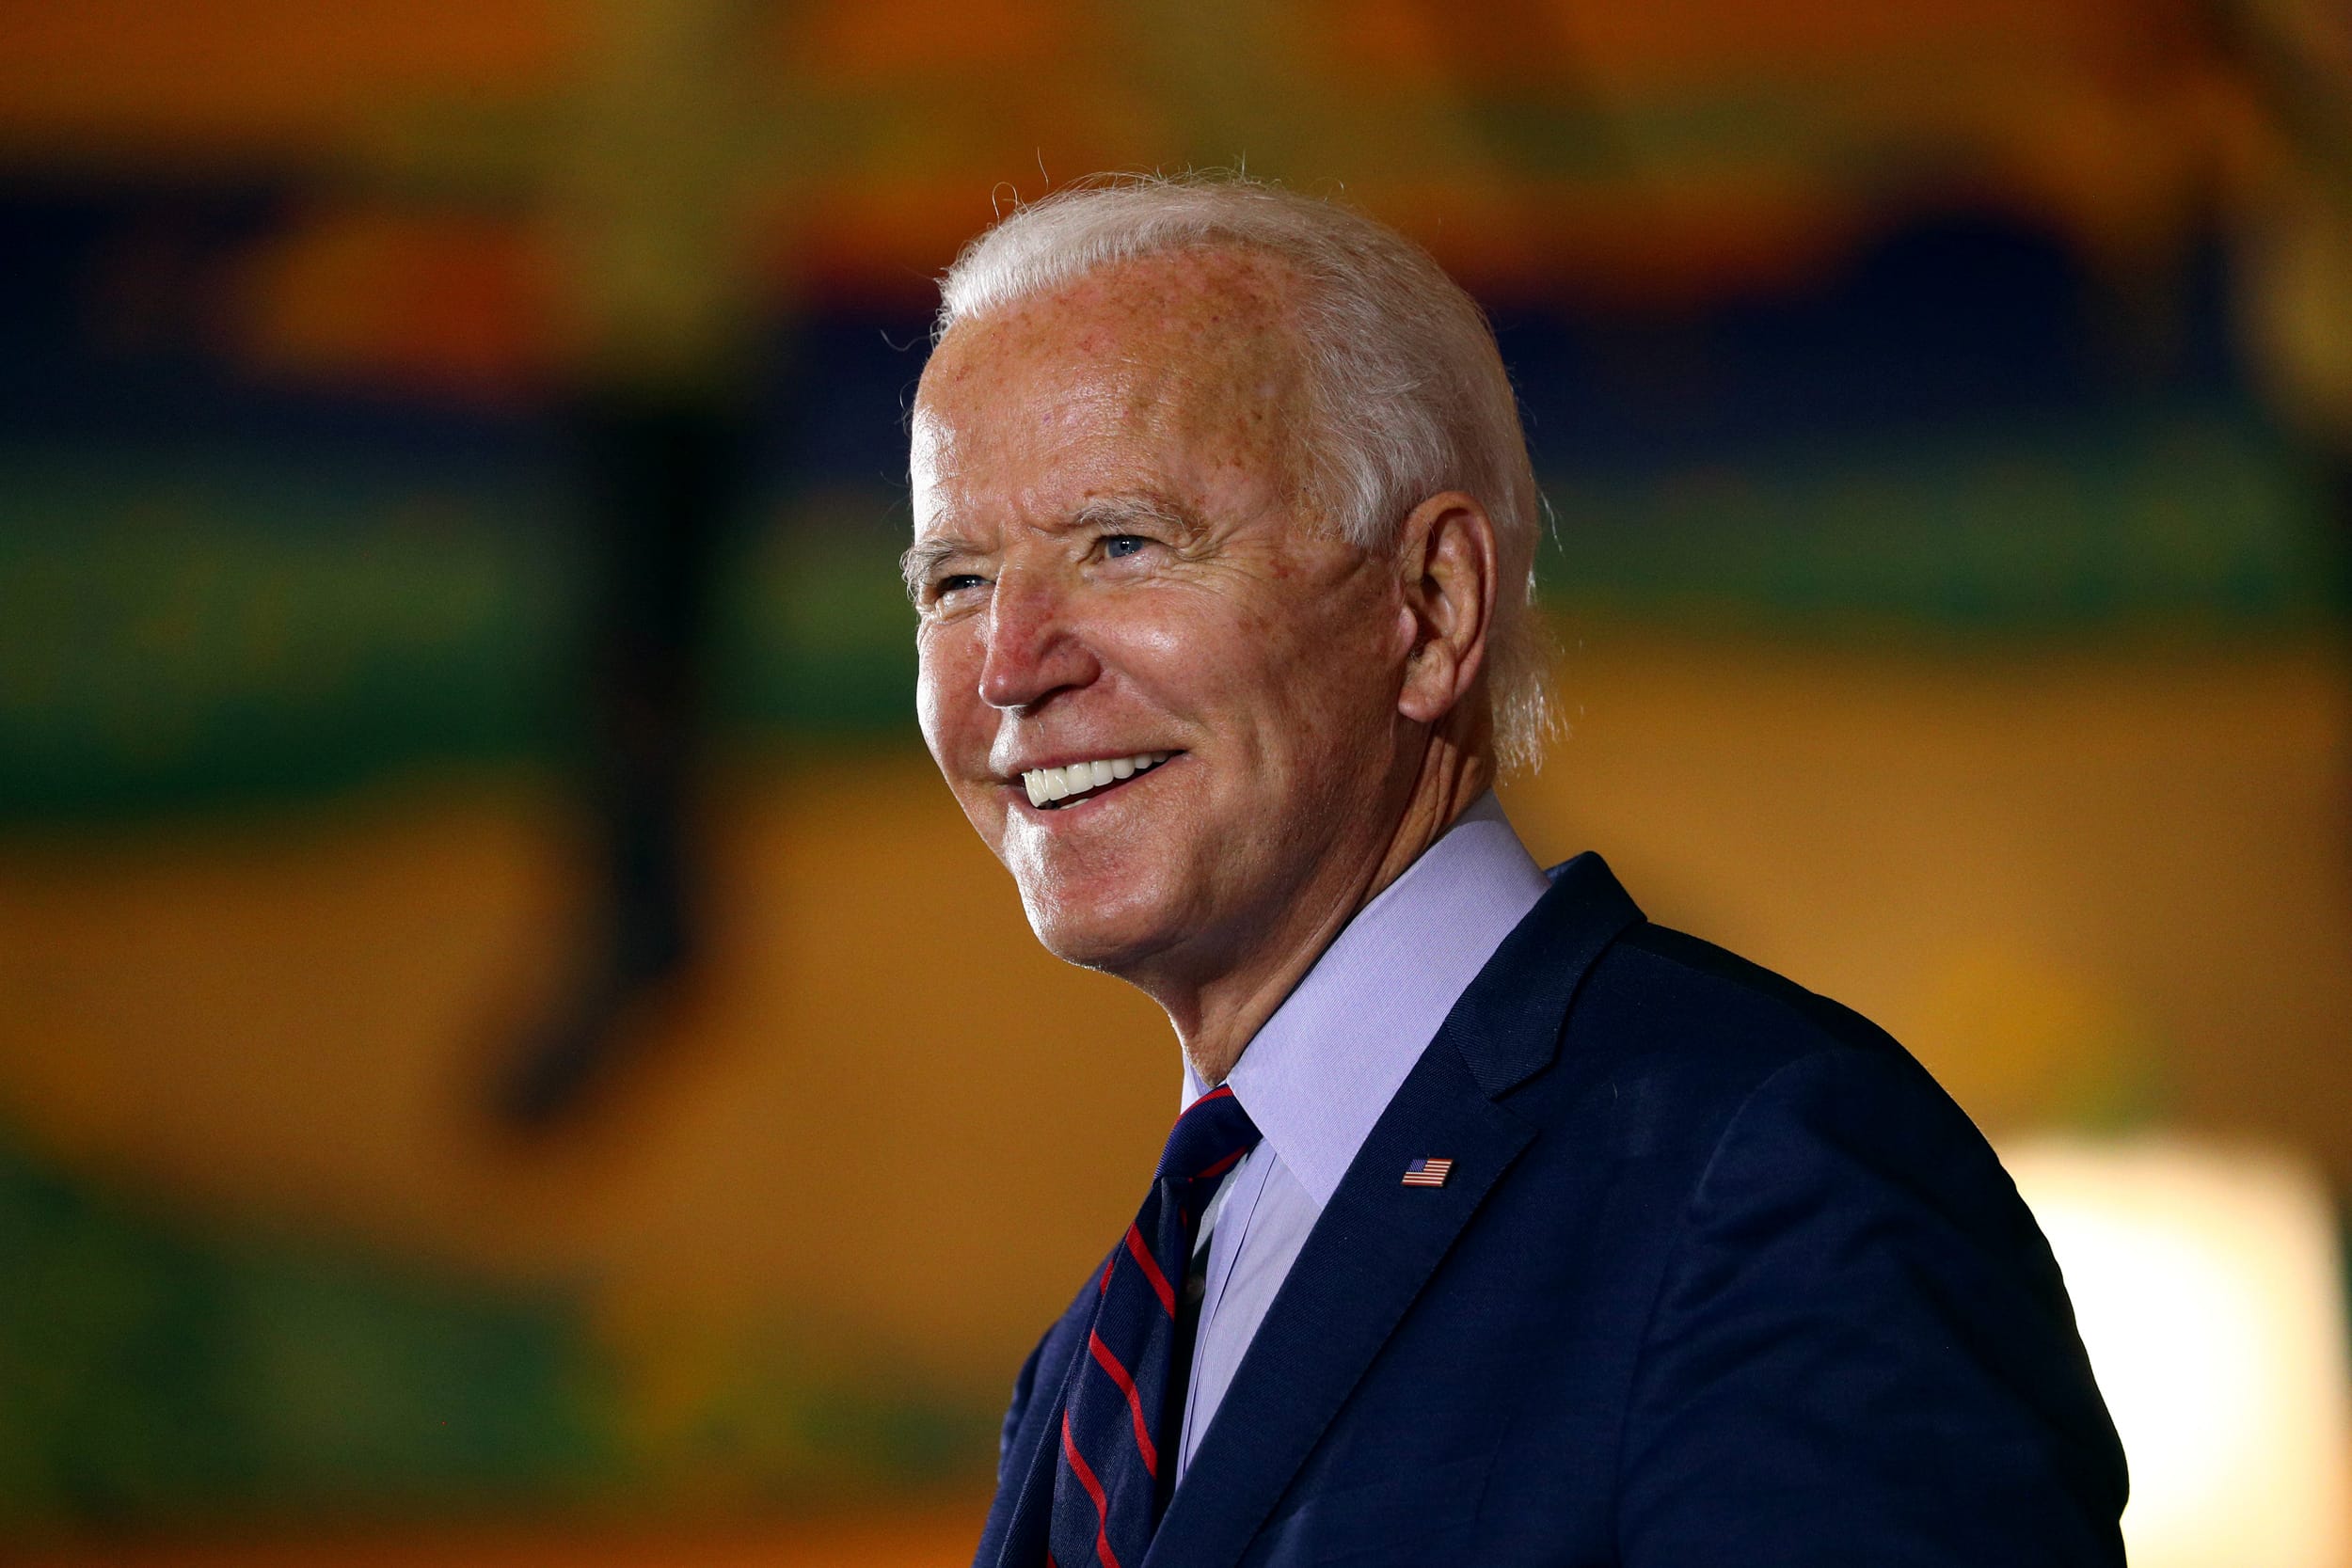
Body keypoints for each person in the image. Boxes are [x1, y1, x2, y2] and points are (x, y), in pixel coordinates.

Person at [905, 174, 2127, 1568]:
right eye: (953, 582)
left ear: (1432, 607)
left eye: (1122, 546)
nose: (1009, 668)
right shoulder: (1090, 1368)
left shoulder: (1766, 1176)